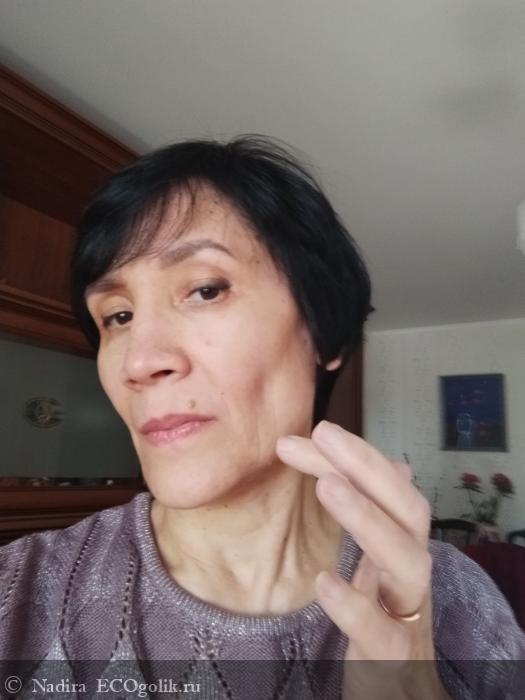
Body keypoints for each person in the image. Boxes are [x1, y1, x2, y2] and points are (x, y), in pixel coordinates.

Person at [0, 136, 523, 699]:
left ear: (322, 332)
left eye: (205, 290)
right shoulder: (20, 594)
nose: (139, 362)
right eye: (118, 317)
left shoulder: (457, 599)